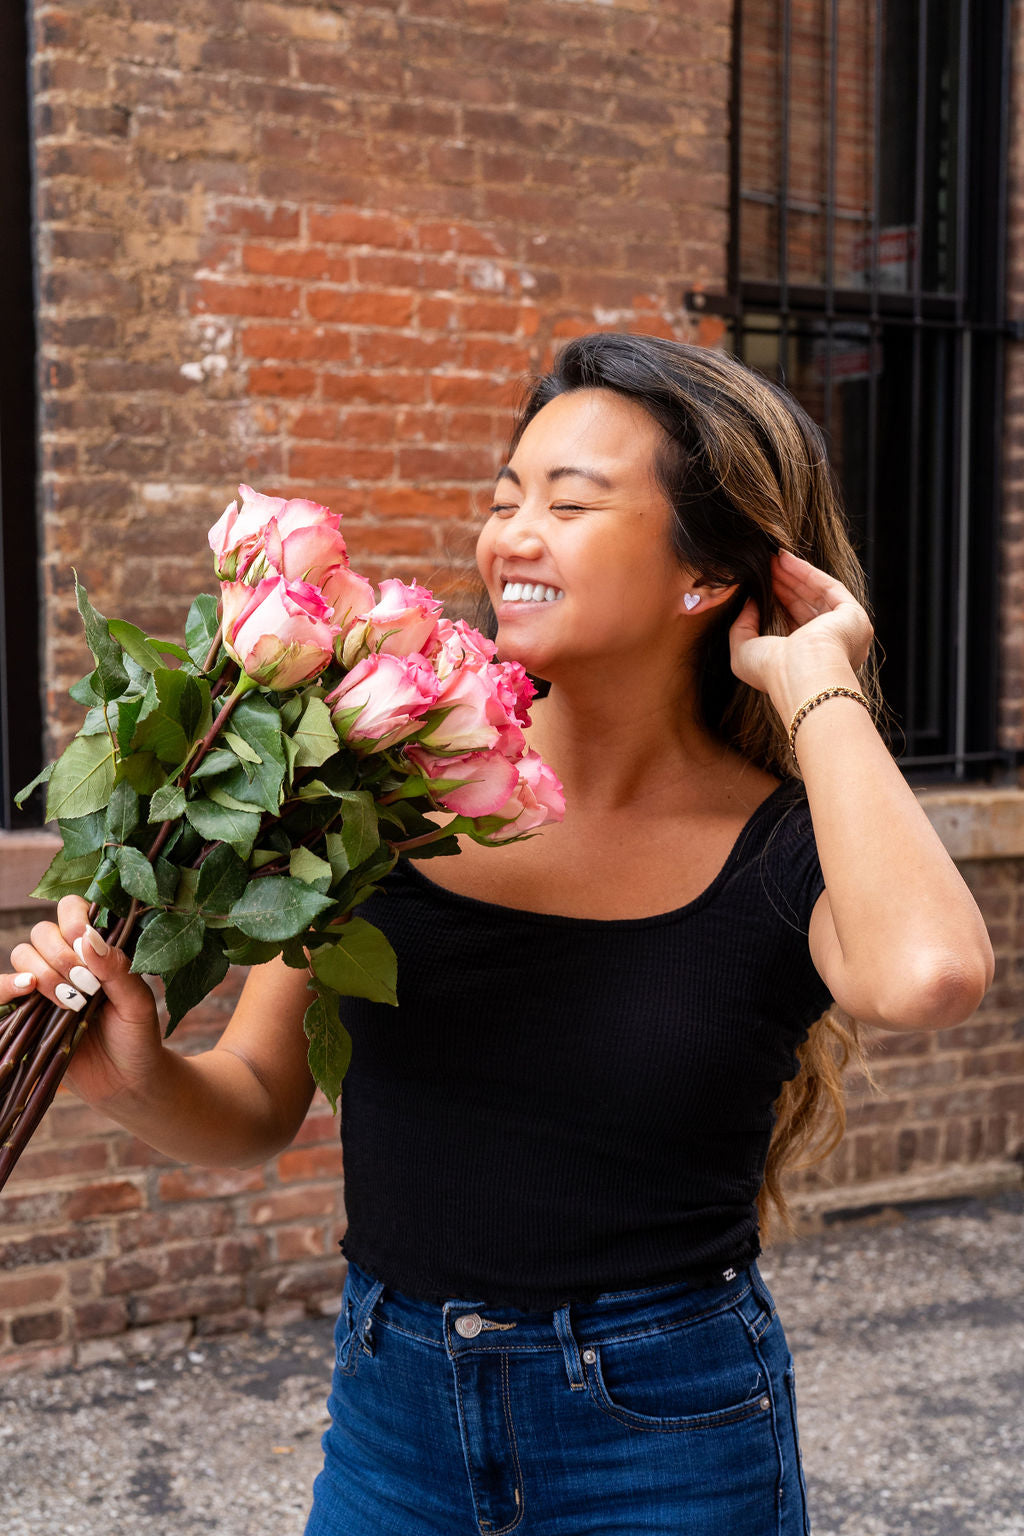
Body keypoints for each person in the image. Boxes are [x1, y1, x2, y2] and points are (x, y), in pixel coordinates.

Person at [2, 333, 993, 1534]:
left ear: (705, 575)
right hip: (391, 1426)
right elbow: (255, 1097)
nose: (511, 536)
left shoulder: (787, 846)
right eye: (505, 498)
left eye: (569, 505)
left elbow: (930, 975)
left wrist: (816, 677)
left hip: (666, 1442)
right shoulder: (376, 795)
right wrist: (137, 1078)